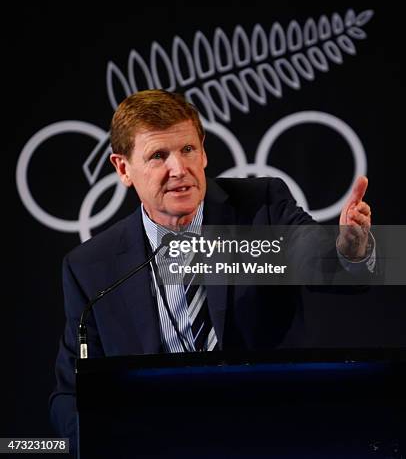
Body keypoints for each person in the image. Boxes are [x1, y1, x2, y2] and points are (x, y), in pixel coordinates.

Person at [49, 89, 374, 447]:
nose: (179, 169)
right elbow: (69, 395)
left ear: (203, 151)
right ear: (123, 168)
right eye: (159, 155)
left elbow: (327, 266)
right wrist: (107, 443)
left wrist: (349, 250)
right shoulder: (91, 268)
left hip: (270, 436)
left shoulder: (259, 209)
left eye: (188, 149)